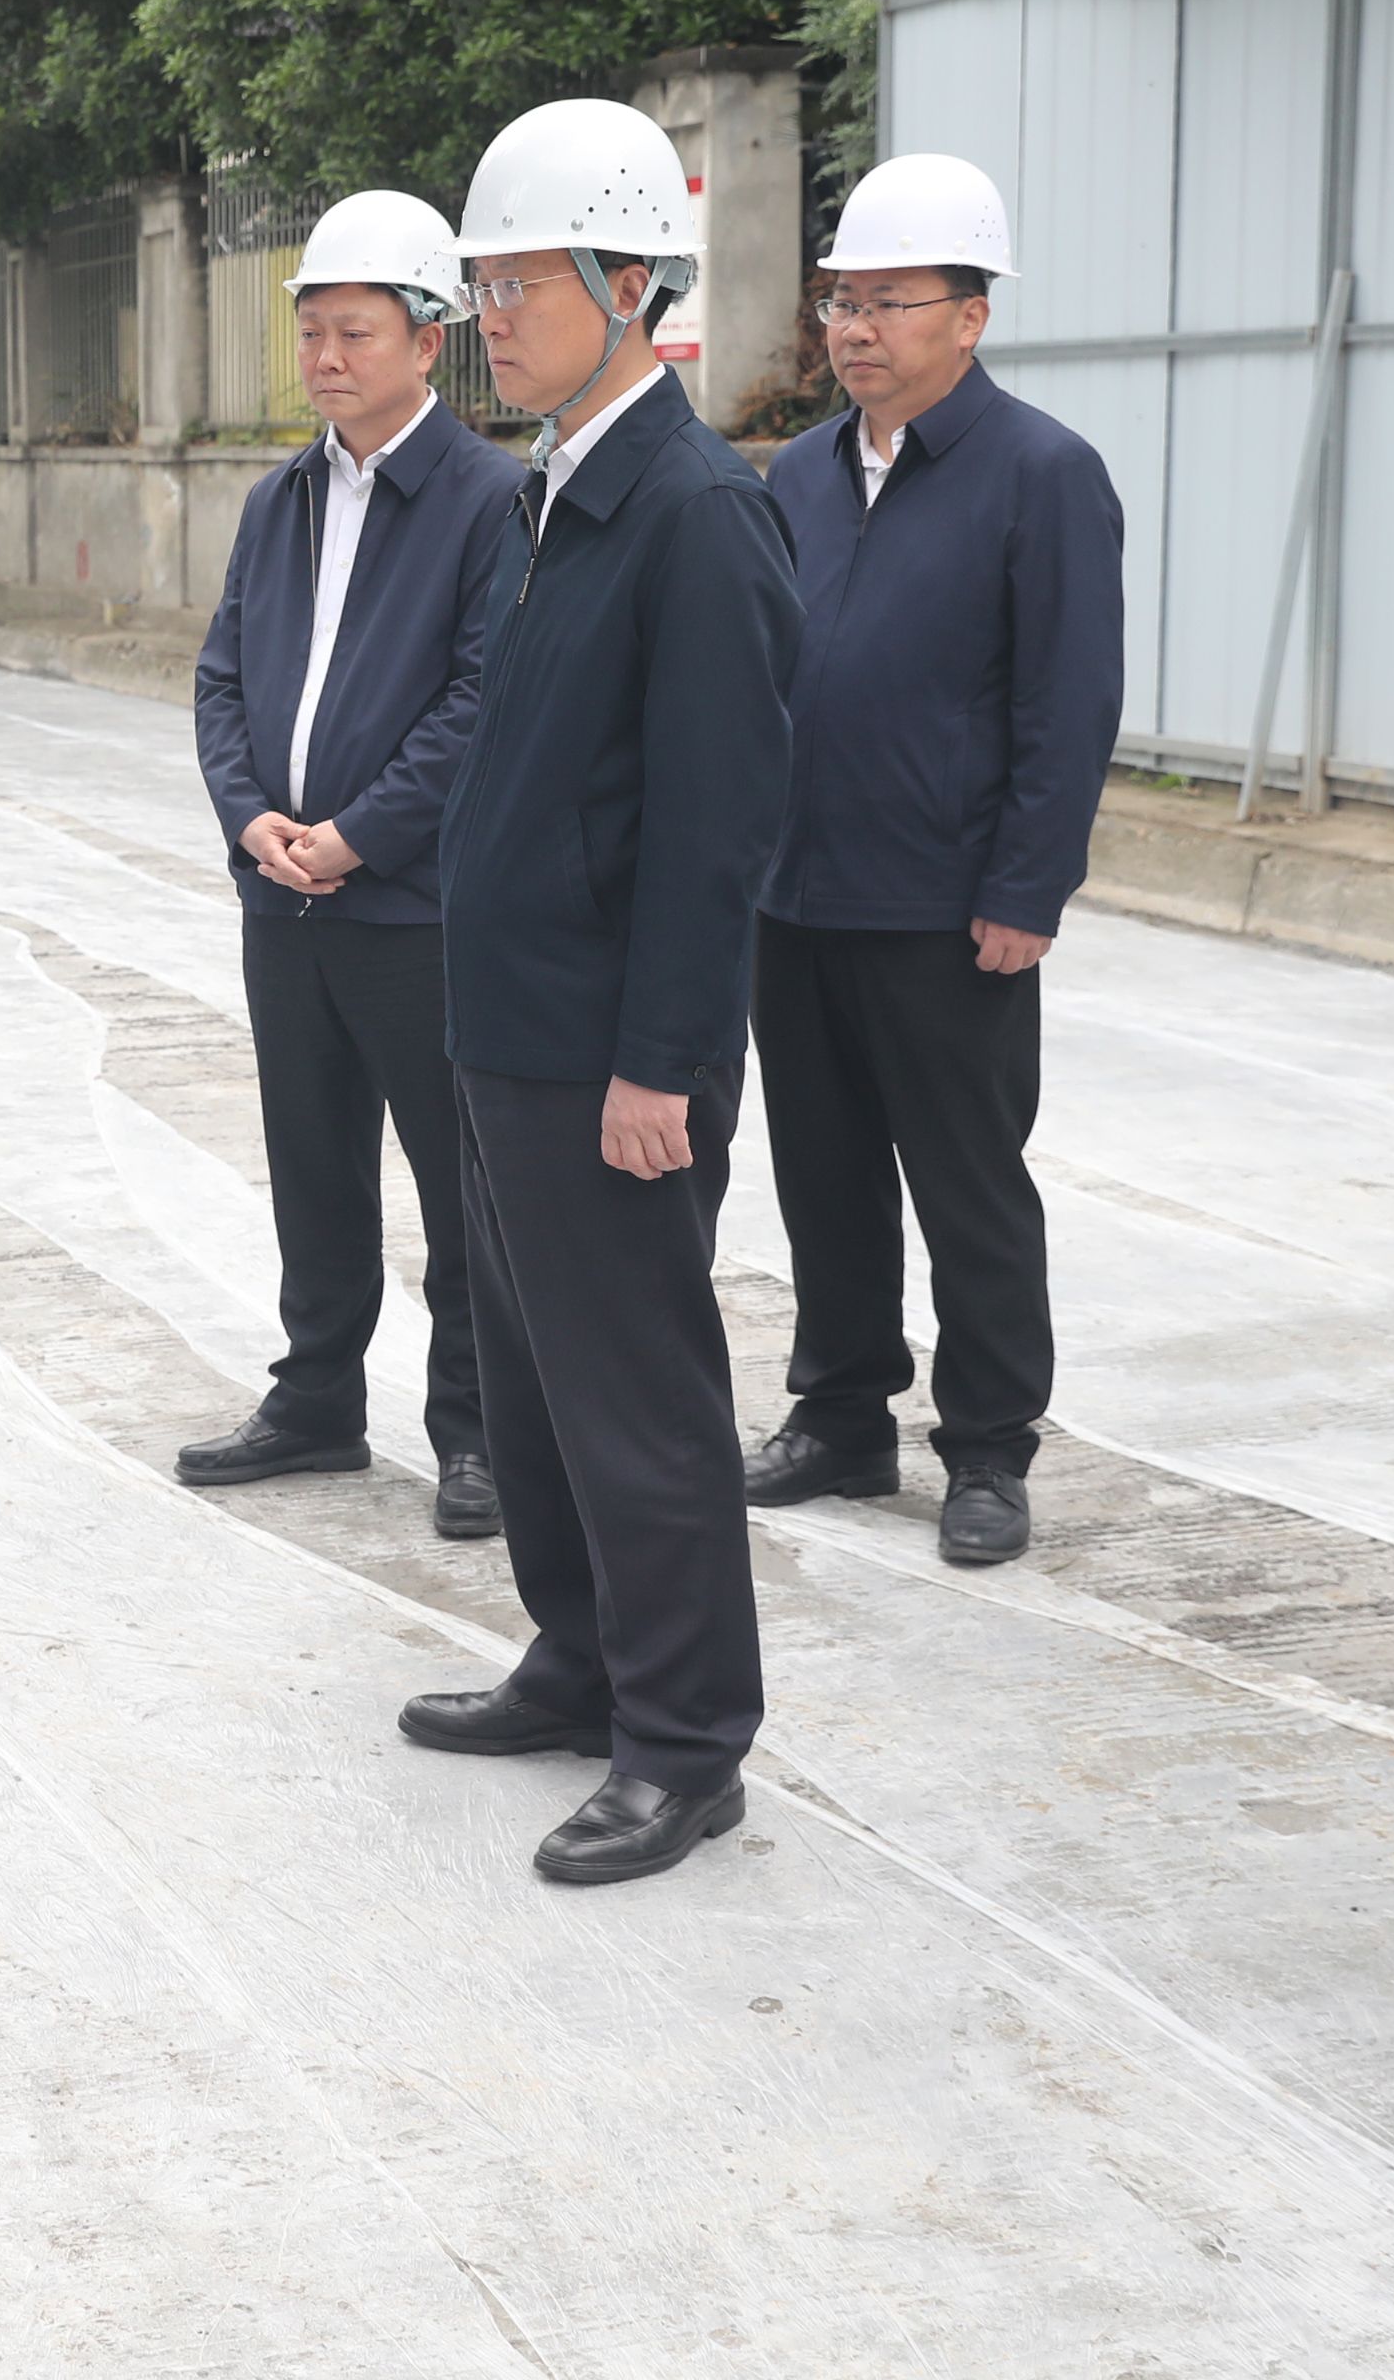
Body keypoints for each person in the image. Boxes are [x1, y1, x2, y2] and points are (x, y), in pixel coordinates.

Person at [397, 98, 801, 1886]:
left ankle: (684, 1736)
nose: (494, 314)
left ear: (630, 284)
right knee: (539, 1383)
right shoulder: (549, 490)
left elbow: (717, 829)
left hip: (606, 1060)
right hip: (505, 1031)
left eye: (523, 282)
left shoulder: (696, 514)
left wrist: (665, 1063)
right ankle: (578, 1655)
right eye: (479, 283)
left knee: (634, 1395)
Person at [744, 155, 1126, 1569]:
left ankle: (985, 1451)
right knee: (824, 1173)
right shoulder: (798, 473)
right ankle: (840, 1412)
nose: (854, 328)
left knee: (968, 1180)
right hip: (797, 895)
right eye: (842, 300)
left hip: (947, 911)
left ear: (970, 318)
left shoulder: (1042, 475)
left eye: (889, 302)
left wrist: (1027, 890)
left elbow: (1068, 702)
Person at [181, 191, 520, 1539]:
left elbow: (481, 700)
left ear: (429, 342)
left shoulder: (491, 501)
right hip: (287, 900)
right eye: (312, 332)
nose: (327, 357)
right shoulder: (279, 500)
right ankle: (316, 1398)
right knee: (312, 1162)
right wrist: (254, 819)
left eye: (356, 333)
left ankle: (476, 1432)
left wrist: (360, 833)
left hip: (413, 906)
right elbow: (220, 678)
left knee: (457, 1180)